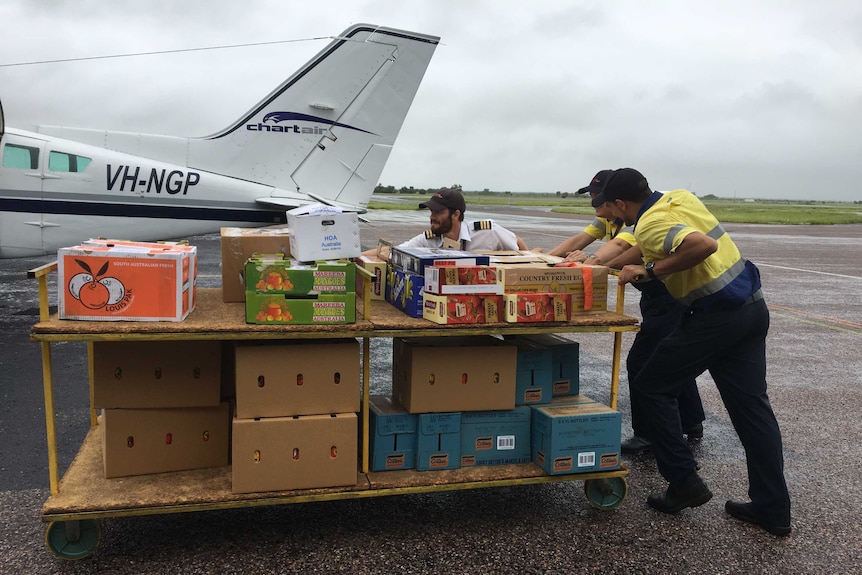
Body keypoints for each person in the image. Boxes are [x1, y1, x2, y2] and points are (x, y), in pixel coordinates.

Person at [593, 167, 791, 536]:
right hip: (751, 308)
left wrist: (648, 273)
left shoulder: (649, 221)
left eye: (613, 207)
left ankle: (684, 481)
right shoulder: (678, 198)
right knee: (753, 411)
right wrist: (609, 265)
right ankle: (773, 507)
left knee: (652, 384)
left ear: (620, 203)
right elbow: (649, 244)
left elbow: (702, 246)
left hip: (715, 315)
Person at [553, 171, 706, 453]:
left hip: (667, 295)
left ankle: (648, 434)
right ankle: (692, 421)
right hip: (655, 295)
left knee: (643, 363)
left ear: (616, 201)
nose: (594, 204)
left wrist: (594, 264)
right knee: (669, 357)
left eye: (597, 198)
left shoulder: (636, 221)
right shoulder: (609, 218)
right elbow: (581, 238)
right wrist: (550, 258)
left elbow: (624, 246)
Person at [368, 187, 525, 254]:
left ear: (456, 214)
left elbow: (517, 242)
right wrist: (354, 255)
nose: (432, 216)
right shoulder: (428, 239)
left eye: (439, 212)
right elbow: (394, 251)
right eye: (431, 211)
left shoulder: (487, 232)